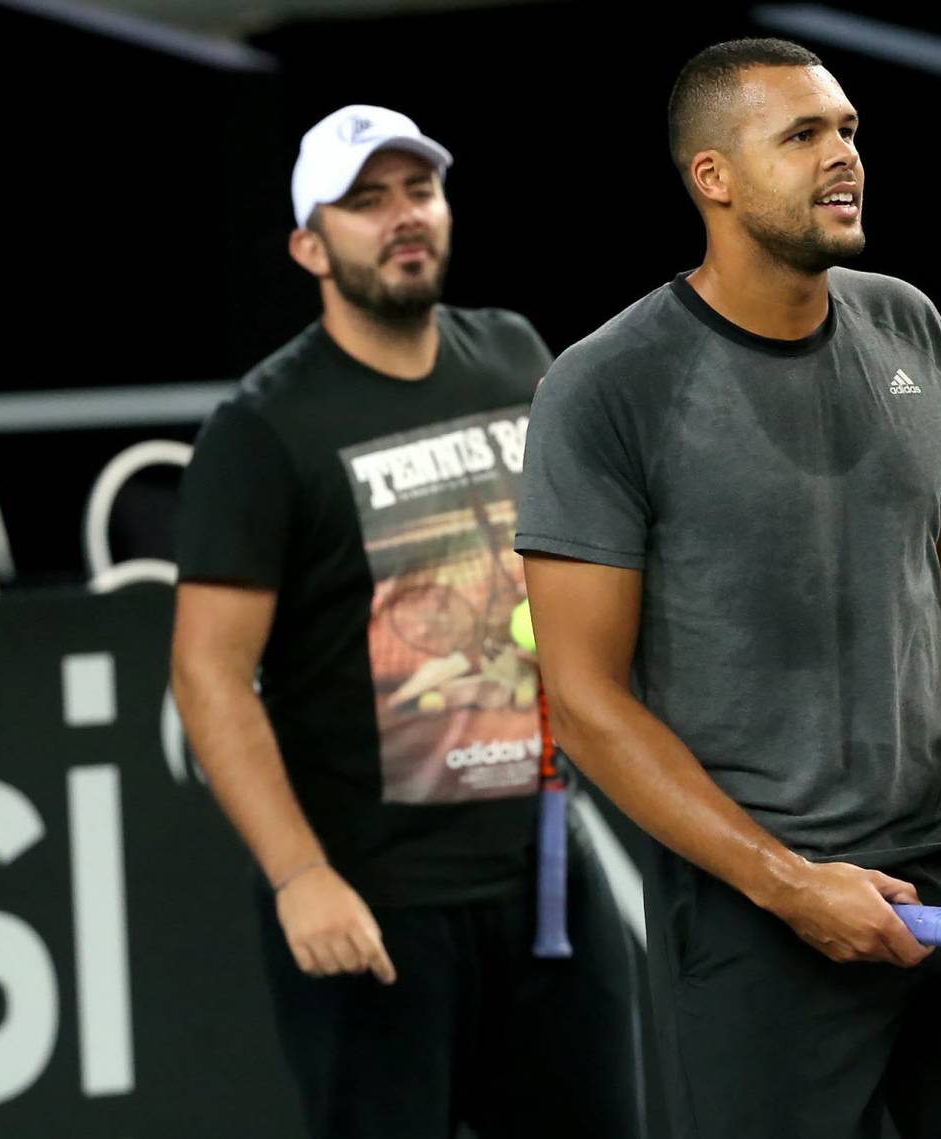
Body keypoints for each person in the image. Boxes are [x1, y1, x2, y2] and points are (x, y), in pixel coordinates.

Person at [516, 39, 941, 1139]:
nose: (843, 157)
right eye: (803, 136)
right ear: (712, 176)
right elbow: (584, 698)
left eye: (850, 131)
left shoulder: (908, 323)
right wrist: (784, 882)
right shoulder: (605, 387)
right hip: (765, 907)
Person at [171, 104, 633, 1139]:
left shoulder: (515, 355)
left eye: (417, 191)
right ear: (309, 244)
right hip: (374, 903)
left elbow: (587, 564)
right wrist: (301, 878)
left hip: (546, 874)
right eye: (365, 202)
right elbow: (208, 675)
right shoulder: (262, 429)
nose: (402, 217)